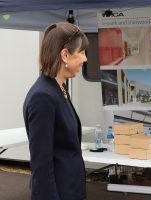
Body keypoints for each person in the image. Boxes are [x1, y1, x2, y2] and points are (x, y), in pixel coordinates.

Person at [23, 22, 89, 200]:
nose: (85, 59)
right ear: (65, 55)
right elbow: (41, 166)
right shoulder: (43, 97)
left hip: (70, 190)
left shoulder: (58, 88)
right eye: (81, 52)